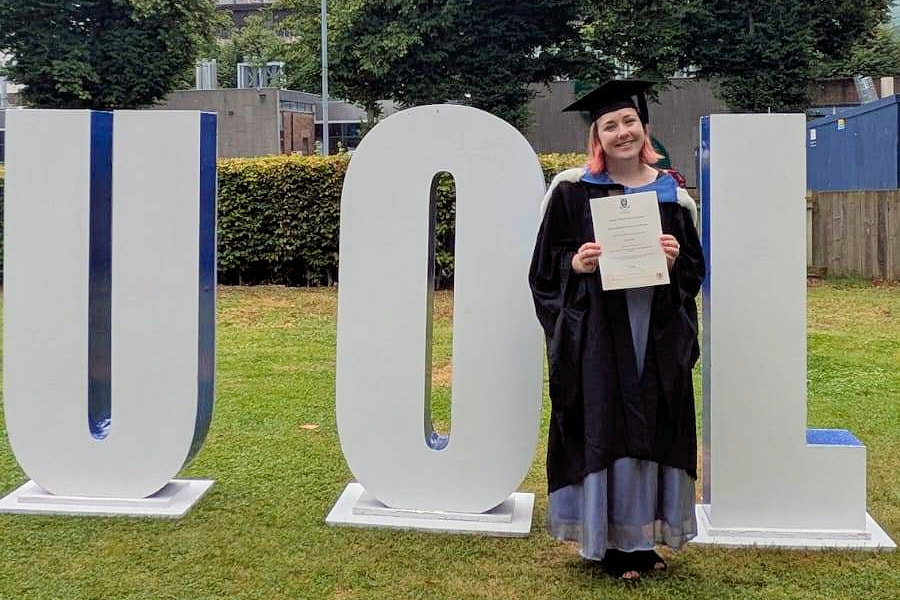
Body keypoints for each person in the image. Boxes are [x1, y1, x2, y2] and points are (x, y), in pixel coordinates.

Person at [528, 80, 705, 580]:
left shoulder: (673, 196)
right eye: (610, 125)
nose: (622, 132)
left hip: (656, 329)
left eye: (629, 122)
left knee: (654, 421)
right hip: (599, 336)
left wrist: (674, 260)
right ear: (597, 137)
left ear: (644, 129)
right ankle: (607, 541)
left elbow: (693, 272)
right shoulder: (570, 192)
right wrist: (577, 266)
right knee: (604, 422)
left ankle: (643, 541)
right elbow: (544, 269)